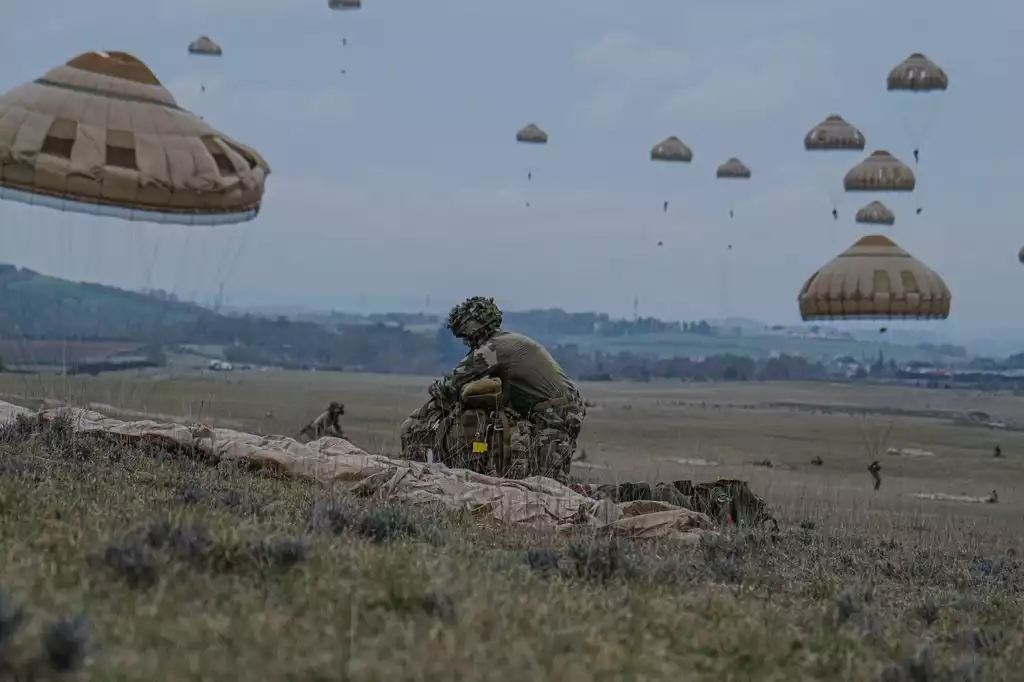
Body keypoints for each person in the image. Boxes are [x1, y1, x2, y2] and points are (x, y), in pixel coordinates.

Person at [400, 296, 585, 482]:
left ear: (474, 329)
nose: (466, 342)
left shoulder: (492, 349)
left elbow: (451, 385)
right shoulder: (508, 341)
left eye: (465, 335)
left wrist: (434, 397)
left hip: (555, 415)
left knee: (548, 485)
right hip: (562, 410)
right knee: (542, 479)